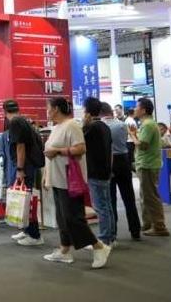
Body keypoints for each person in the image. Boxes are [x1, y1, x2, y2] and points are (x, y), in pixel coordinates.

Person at [42, 97, 111, 269]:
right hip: (58, 179)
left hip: (69, 181)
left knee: (73, 218)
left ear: (56, 109)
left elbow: (81, 149)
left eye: (48, 108)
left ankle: (99, 247)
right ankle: (64, 250)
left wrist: (57, 151)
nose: (47, 111)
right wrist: (46, 175)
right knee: (62, 218)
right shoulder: (57, 127)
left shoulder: (72, 125)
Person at [3, 100, 42, 246]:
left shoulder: (15, 123)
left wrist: (20, 169)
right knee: (25, 198)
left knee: (26, 200)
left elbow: (20, 147)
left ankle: (34, 235)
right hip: (29, 164)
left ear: (4, 112)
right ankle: (26, 229)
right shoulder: (23, 120)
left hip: (25, 166)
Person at [100, 102, 141, 241]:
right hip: (124, 160)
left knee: (110, 199)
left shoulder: (101, 126)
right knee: (129, 198)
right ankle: (135, 230)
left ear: (100, 113)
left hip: (109, 161)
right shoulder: (122, 125)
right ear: (111, 111)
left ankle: (113, 233)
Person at [129, 98, 169, 237]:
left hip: (148, 164)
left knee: (150, 196)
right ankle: (148, 223)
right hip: (147, 164)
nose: (134, 109)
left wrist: (132, 136)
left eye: (137, 107)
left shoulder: (148, 125)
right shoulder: (148, 124)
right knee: (145, 196)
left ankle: (159, 226)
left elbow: (143, 145)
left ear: (144, 110)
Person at [82, 97, 115, 247]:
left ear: (87, 111)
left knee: (100, 207)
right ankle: (110, 236)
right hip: (105, 170)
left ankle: (104, 239)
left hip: (95, 171)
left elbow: (78, 141)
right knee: (107, 205)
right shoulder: (104, 127)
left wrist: (84, 123)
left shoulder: (91, 127)